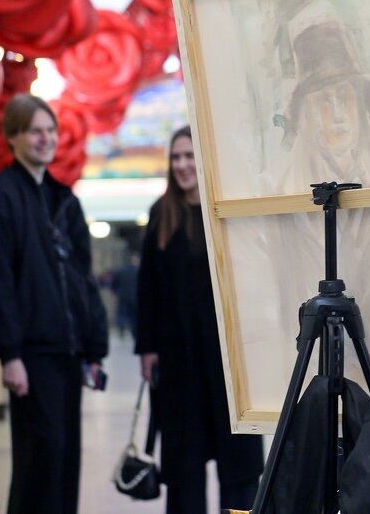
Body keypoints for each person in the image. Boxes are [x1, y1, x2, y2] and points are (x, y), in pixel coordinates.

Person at [0, 93, 109, 514]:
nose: (46, 139)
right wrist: (9, 355)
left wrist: (94, 349)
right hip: (31, 355)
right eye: (35, 131)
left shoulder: (64, 200)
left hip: (69, 354)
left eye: (50, 130)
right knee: (38, 462)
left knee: (64, 461)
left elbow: (83, 280)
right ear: (13, 136)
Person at [136, 126, 264, 514]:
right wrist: (147, 349)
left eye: (190, 156)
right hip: (178, 365)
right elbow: (147, 288)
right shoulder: (162, 215)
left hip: (228, 362)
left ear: (205, 161)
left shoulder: (226, 211)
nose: (182, 165)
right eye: (176, 157)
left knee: (238, 468)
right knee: (183, 467)